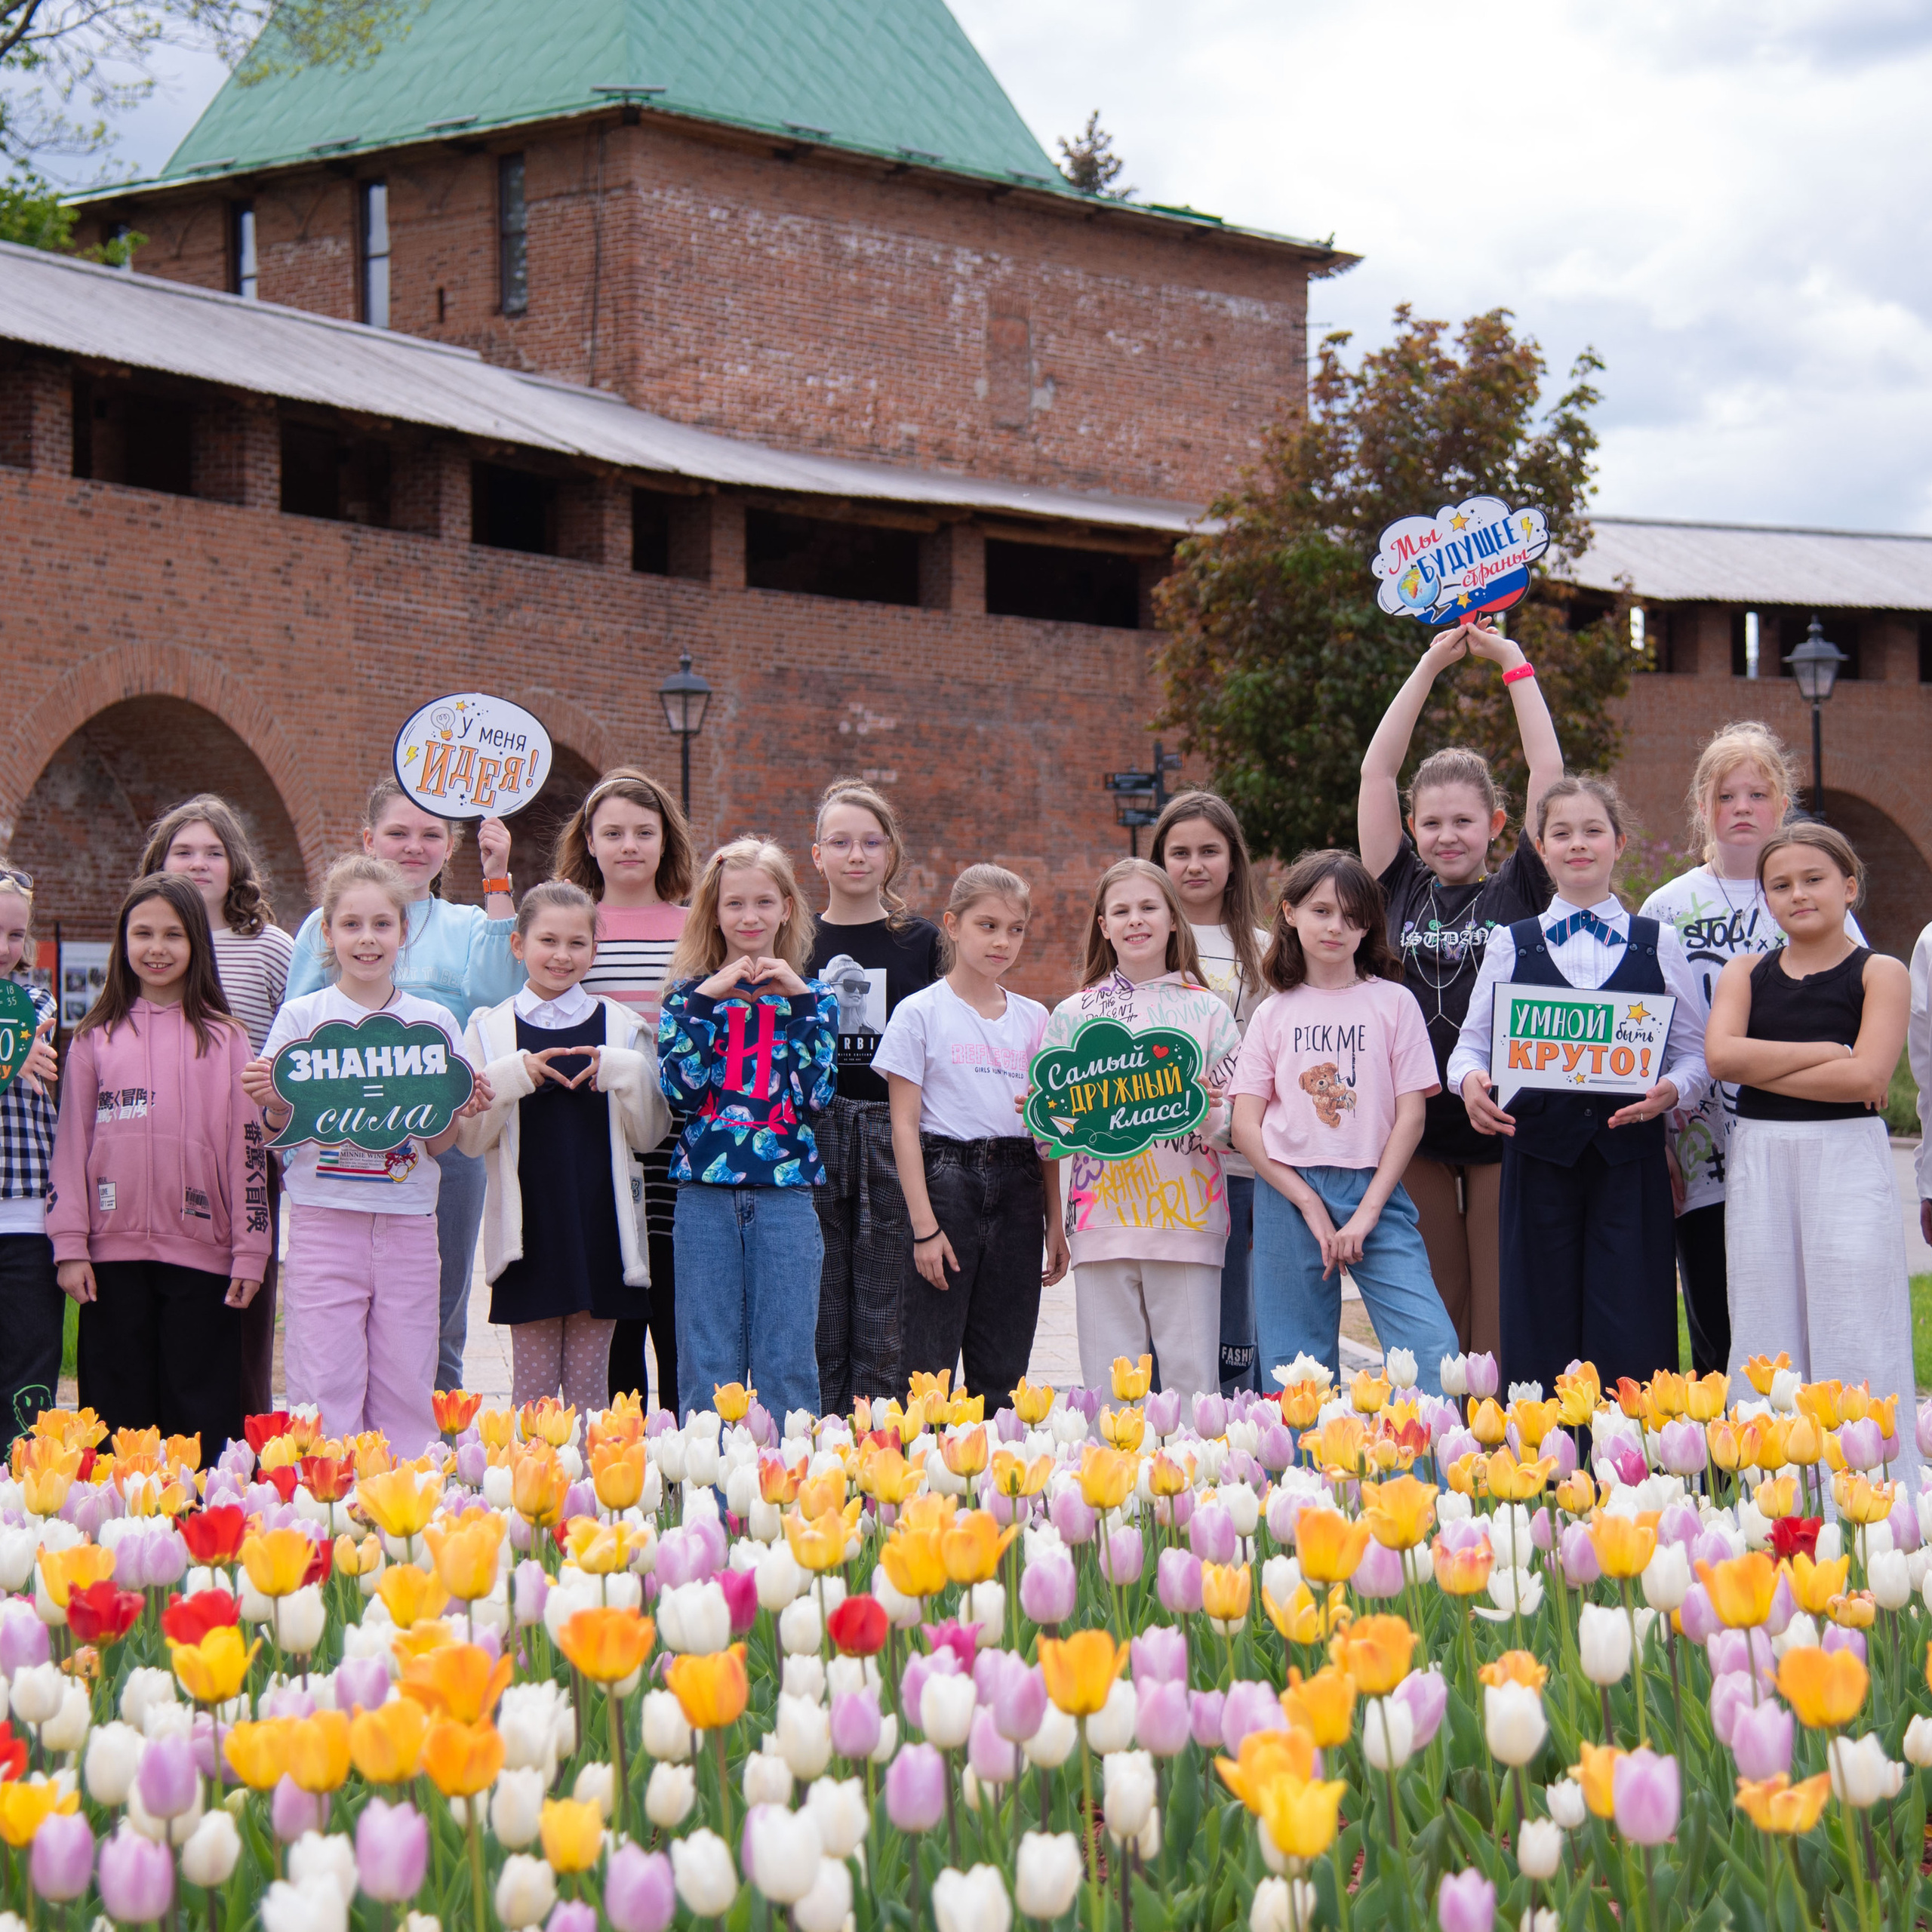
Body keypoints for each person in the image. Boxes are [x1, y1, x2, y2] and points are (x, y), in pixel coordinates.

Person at [1448, 777, 1709, 1397]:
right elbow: (1469, 1046)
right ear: (1541, 848)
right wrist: (1470, 1082)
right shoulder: (1511, 944)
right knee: (1536, 1318)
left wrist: (1672, 1090)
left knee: (1636, 1319)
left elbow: (1696, 1052)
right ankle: (1545, 1470)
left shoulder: (1659, 943)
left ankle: (1637, 1467)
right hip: (1538, 1158)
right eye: (1562, 833)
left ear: (1618, 842)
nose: (1579, 845)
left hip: (1631, 1162)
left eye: (1593, 831)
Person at [1357, 620, 1561, 1360]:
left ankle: (1505, 1443)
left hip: (1502, 1122)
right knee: (1438, 1292)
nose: (1447, 835)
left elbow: (1548, 773)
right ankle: (1443, 1445)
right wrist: (1426, 668)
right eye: (1432, 821)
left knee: (1501, 1291)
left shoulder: (1521, 885)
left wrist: (1512, 662)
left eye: (1464, 822)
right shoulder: (1397, 883)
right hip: (1415, 1125)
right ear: (1412, 826)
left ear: (1496, 825)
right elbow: (1376, 775)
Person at [1638, 722, 1863, 1377]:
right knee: (1716, 1316)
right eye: (1726, 795)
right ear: (1703, 807)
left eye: (1757, 795)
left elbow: (1855, 1006)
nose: (1742, 808)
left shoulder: (1812, 895)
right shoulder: (1666, 907)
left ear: (1782, 804)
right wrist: (1660, 1146)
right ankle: (1718, 1467)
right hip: (1700, 1143)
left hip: (1803, 1132)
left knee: (1801, 1309)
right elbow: (1648, 1034)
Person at [285, 780, 520, 1392]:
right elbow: (298, 1036)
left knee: (434, 1308)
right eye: (397, 833)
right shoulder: (323, 925)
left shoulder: (470, 923)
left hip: (440, 1141)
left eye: (430, 835)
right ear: (369, 840)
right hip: (343, 1151)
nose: (413, 847)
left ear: (451, 847)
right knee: (342, 1308)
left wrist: (498, 878)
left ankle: (435, 1439)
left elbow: (500, 997)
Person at [249, 855, 485, 1455]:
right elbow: (279, 1126)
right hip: (325, 1218)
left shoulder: (432, 1024)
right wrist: (274, 1100)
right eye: (351, 924)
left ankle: (398, 1508)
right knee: (322, 1376)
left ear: (403, 932)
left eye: (382, 924)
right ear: (326, 934)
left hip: (408, 1223)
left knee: (407, 1376)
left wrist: (457, 1108)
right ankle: (323, 1507)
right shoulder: (303, 1018)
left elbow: (437, 1145)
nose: (367, 938)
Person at [1706, 825, 1915, 1462]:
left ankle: (1871, 1490)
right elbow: (1720, 1057)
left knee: (1855, 1318)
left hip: (1846, 1159)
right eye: (1781, 885)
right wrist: (1823, 1053)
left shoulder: (1881, 972)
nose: (1798, 894)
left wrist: (1763, 1061)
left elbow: (1868, 1077)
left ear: (1849, 886)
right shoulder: (1745, 972)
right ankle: (1772, 1490)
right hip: (1761, 1159)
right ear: (1765, 900)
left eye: (1814, 879)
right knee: (1767, 1327)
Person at [1228, 850, 1459, 1396]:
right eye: (1322, 910)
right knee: (1295, 1368)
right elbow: (1245, 1125)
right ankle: (1307, 1482)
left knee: (1433, 1352)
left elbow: (1411, 1116)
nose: (1336, 927)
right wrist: (1307, 1202)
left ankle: (1419, 1479)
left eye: (1353, 916)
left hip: (1374, 1191)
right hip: (1288, 1195)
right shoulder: (1273, 1012)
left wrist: (1366, 1213)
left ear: (1368, 927)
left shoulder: (1394, 1003)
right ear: (1289, 913)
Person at [49, 873, 267, 1449]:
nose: (157, 947)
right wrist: (70, 1245)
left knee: (198, 1421)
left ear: (197, 943)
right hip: (109, 1260)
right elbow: (71, 1145)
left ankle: (197, 1535)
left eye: (173, 934)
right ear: (123, 943)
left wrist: (251, 1249)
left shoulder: (226, 1040)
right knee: (118, 1425)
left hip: (204, 1261)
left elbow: (247, 1152)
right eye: (142, 933)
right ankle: (122, 1534)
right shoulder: (95, 1038)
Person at [459, 882, 670, 1413]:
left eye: (577, 943)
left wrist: (627, 1072)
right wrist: (511, 1077)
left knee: (590, 1395)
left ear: (594, 951)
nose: (561, 955)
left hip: (602, 1231)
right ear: (518, 945)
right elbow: (469, 1140)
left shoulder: (623, 1027)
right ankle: (534, 1494)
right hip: (527, 1236)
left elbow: (650, 1133)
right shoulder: (488, 1029)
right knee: (532, 1396)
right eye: (547, 940)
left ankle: (588, 1496)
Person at [1037, 859, 1241, 1401]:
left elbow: (1242, 1128)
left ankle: (1199, 1490)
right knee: (1110, 1395)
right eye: (1121, 910)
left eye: (1148, 907)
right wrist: (1043, 1111)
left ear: (1174, 919)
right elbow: (1048, 1138)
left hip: (1190, 1220)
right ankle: (1113, 1489)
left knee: (1193, 1387)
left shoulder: (1210, 1013)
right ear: (1103, 926)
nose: (1136, 920)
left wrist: (1214, 1112)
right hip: (1100, 1221)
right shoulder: (1073, 1016)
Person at [658, 838, 838, 1419]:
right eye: (735, 904)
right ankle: (711, 1501)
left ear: (787, 907)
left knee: (787, 1361)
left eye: (764, 902)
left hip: (785, 1193)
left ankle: (791, 1502)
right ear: (714, 912)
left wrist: (805, 1003)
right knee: (708, 1362)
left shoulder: (814, 1000)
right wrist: (704, 1005)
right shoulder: (687, 998)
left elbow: (817, 1095)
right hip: (703, 1195)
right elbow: (680, 1092)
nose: (750, 916)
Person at [875, 865, 1068, 1401]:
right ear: (953, 926)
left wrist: (1055, 1221)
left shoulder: (1036, 1020)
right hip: (946, 1186)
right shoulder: (919, 1013)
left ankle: (998, 1480)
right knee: (927, 1370)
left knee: (1003, 1370)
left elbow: (1046, 1133)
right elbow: (904, 1126)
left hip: (1019, 1190)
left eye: (1015, 929)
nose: (1002, 941)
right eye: (988, 926)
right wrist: (923, 1229)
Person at [140, 794, 296, 1416]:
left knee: (243, 1303)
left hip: (245, 1152)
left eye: (213, 851)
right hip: (160, 1149)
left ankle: (244, 1434)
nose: (199, 863)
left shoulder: (269, 947)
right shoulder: (144, 941)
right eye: (183, 851)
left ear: (236, 864)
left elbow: (301, 1039)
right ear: (160, 860)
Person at [552, 767, 694, 1414]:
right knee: (612, 1314)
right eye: (612, 832)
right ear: (588, 840)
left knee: (674, 1302)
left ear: (667, 840)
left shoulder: (696, 927)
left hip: (679, 1141)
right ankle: (621, 1458)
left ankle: (681, 1454)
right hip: (596, 1139)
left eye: (644, 830)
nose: (628, 844)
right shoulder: (573, 924)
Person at [804, 780, 943, 1413]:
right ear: (817, 855)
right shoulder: (796, 940)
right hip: (815, 1129)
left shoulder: (921, 941)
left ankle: (881, 1440)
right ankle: (826, 1432)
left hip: (894, 1130)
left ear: (890, 853)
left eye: (870, 842)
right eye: (840, 842)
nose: (855, 855)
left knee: (887, 1304)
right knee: (822, 1299)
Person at [1150, 790, 1271, 1396]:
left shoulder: (1267, 948)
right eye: (1179, 852)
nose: (1194, 865)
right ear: (1159, 861)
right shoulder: (1140, 941)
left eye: (1209, 851)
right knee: (1160, 1320)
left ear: (1233, 860)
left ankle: (1238, 1446)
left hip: (1236, 1165)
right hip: (1153, 1170)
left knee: (1232, 1320)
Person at [0, 871, 61, 1450]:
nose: (4, 948)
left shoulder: (36, 1001)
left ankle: (22, 1492)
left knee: (27, 1366)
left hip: (24, 1215)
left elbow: (26, 1033)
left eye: (15, 935)